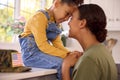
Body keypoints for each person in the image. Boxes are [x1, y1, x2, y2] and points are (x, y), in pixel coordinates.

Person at [19, 0, 83, 80]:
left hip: (42, 53)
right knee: (62, 64)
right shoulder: (39, 17)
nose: (67, 19)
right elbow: (43, 46)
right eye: (67, 13)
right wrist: (67, 55)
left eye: (70, 16)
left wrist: (70, 54)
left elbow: (58, 45)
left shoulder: (55, 24)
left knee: (70, 62)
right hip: (31, 55)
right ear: (57, 3)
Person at [62, 4, 118, 80]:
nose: (68, 23)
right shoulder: (101, 51)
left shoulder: (89, 59)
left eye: (71, 18)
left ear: (82, 23)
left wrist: (65, 66)